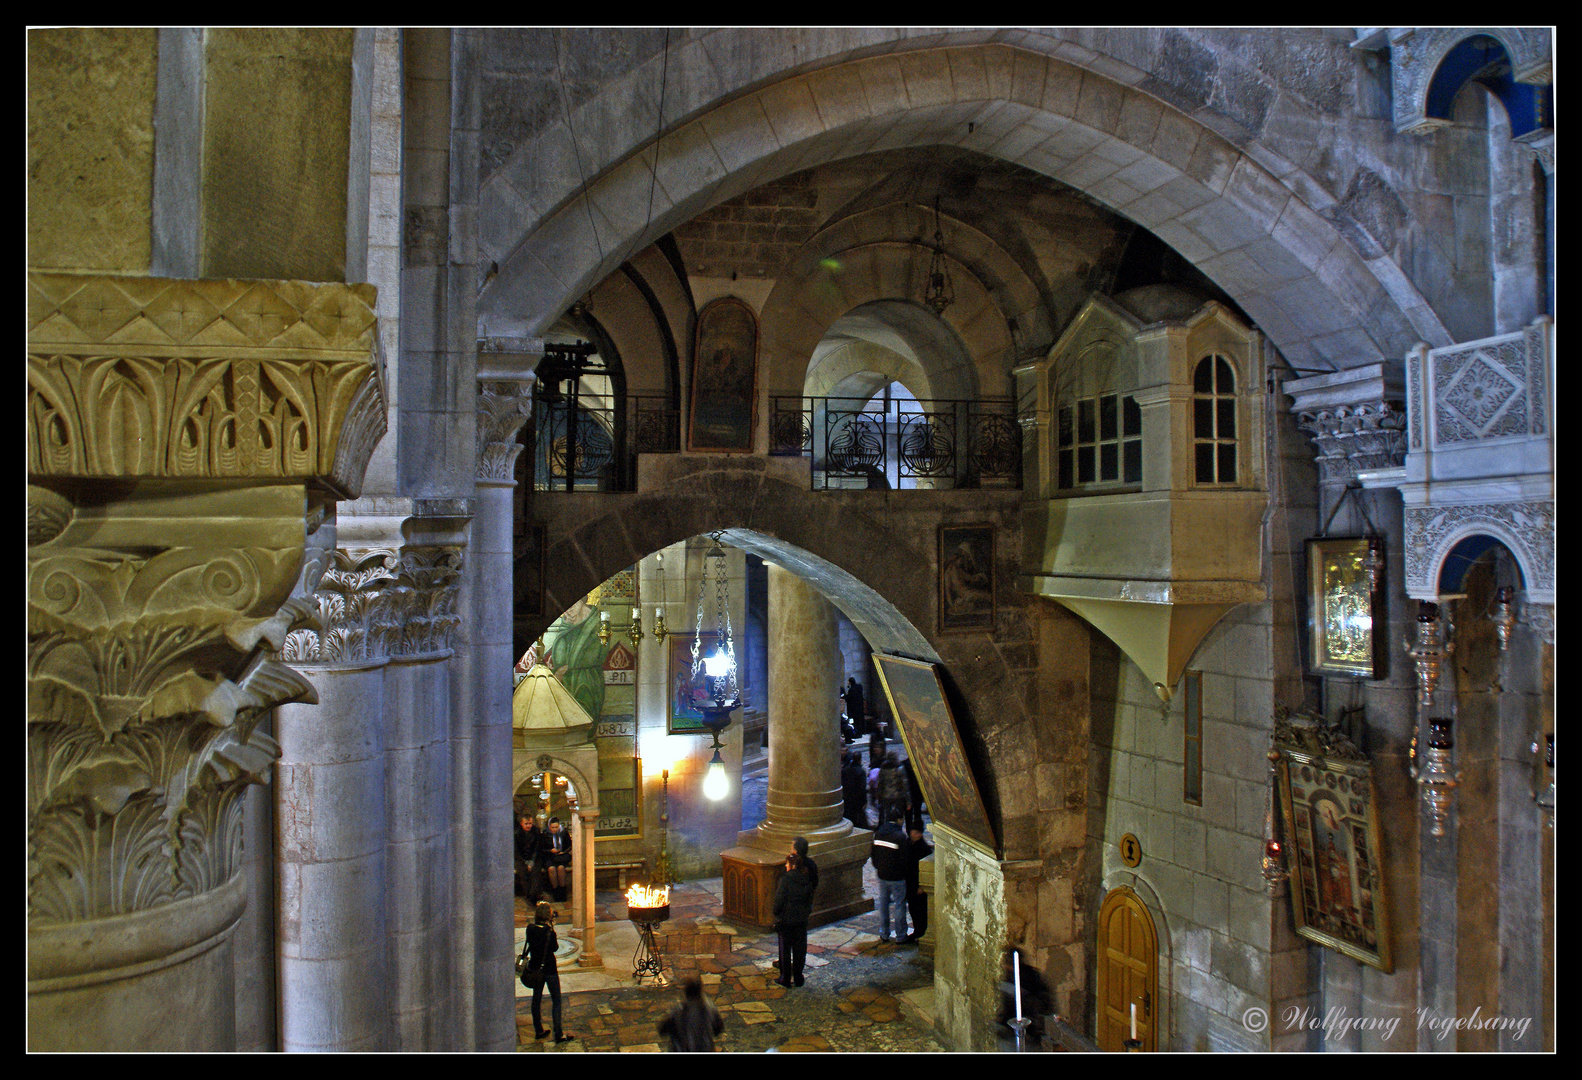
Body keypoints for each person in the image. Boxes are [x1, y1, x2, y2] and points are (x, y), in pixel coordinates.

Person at [523, 901, 573, 1043]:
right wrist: (551, 928)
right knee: (556, 1000)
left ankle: (538, 1030)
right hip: (549, 970)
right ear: (548, 917)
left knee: (536, 999)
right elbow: (555, 948)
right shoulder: (549, 932)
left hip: (535, 969)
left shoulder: (530, 928)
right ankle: (559, 1033)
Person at [773, 843, 818, 987]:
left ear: (791, 866)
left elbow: (779, 900)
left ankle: (785, 978)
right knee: (800, 950)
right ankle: (798, 977)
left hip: (786, 920)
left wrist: (776, 913)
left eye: (787, 864)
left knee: (785, 950)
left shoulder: (785, 880)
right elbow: (809, 900)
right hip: (801, 920)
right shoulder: (807, 880)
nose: (785, 867)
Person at [997, 947, 1052, 1047]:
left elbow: (1038, 1005)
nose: (1006, 966)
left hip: (1029, 1031)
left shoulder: (1029, 977)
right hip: (1013, 1030)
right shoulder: (1009, 977)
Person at [870, 810, 909, 943]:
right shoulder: (900, 837)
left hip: (882, 875)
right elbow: (904, 859)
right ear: (899, 820)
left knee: (884, 904)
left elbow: (873, 855)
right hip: (897, 878)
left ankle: (884, 933)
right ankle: (900, 935)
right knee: (899, 905)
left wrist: (879, 868)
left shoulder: (879, 834)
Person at [658, 977, 724, 1052]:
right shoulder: (710, 1008)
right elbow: (718, 1028)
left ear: (686, 993)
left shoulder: (679, 1010)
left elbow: (663, 1029)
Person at [903, 824, 933, 942]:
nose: (913, 835)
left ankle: (921, 931)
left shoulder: (924, 848)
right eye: (912, 832)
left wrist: (921, 885)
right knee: (912, 909)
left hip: (918, 885)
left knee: (920, 910)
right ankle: (916, 930)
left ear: (920, 834)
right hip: (909, 882)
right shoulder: (908, 843)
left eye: (916, 833)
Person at [540, 816, 572, 901]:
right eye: (552, 827)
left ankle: (562, 891)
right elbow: (541, 848)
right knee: (551, 869)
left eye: (556, 827)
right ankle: (555, 891)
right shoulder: (545, 834)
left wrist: (563, 851)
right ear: (549, 827)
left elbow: (569, 845)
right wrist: (550, 850)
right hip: (549, 857)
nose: (554, 829)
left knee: (561, 868)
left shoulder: (564, 832)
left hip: (561, 857)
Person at [514, 813, 542, 899]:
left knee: (535, 873)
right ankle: (529, 895)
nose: (528, 826)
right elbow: (516, 852)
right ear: (521, 823)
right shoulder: (516, 834)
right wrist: (526, 862)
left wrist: (532, 862)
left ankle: (534, 894)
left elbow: (537, 848)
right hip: (521, 859)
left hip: (534, 858)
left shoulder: (536, 831)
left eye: (530, 823)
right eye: (526, 824)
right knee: (523, 872)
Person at [877, 752, 909, 825]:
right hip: (898, 795)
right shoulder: (900, 768)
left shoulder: (883, 768)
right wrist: (908, 801)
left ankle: (888, 829)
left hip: (886, 795)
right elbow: (905, 784)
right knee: (899, 815)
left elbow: (880, 783)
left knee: (887, 815)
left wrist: (879, 796)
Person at [841, 752, 870, 829]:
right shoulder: (861, 772)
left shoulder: (845, 770)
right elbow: (862, 787)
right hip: (857, 799)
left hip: (847, 798)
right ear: (860, 760)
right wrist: (864, 801)